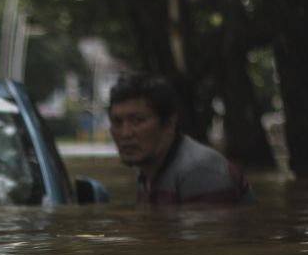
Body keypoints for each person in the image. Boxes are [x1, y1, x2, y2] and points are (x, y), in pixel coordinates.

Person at [107, 72, 253, 205]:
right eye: (117, 122)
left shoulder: (199, 172)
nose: (125, 133)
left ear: (169, 124)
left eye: (137, 121)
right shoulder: (147, 170)